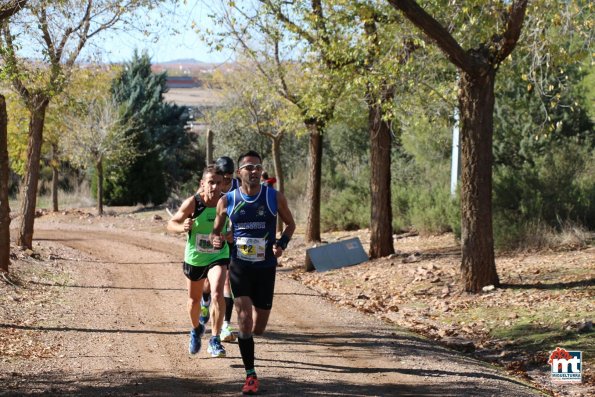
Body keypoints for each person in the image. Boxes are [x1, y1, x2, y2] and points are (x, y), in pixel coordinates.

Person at [211, 150, 296, 395]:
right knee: (244, 321)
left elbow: (290, 225)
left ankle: (253, 338)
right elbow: (217, 231)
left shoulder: (274, 197)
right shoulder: (227, 200)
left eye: (258, 167)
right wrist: (218, 240)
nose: (254, 171)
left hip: (266, 268)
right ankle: (250, 375)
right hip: (239, 267)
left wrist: (281, 244)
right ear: (239, 173)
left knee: (259, 327)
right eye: (249, 167)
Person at [167, 165, 230, 358]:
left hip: (218, 255)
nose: (214, 186)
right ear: (203, 184)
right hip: (195, 258)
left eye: (218, 183)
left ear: (223, 185)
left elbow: (236, 230)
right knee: (193, 302)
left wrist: (228, 236)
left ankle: (215, 339)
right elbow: (171, 224)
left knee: (218, 293)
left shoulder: (228, 202)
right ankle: (196, 329)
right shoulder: (194, 203)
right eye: (211, 182)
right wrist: (182, 227)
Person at [199, 156, 239, 343]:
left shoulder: (239, 187)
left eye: (229, 178)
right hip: (210, 237)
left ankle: (225, 324)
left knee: (226, 282)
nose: (226, 182)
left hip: (229, 237)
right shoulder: (210, 184)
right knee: (207, 282)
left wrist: (233, 232)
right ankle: (205, 300)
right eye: (224, 177)